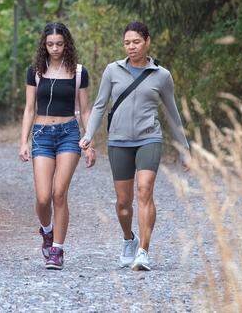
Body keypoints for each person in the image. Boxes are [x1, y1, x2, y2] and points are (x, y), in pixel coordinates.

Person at [80, 21, 191, 272]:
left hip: (149, 138)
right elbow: (99, 106)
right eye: (127, 43)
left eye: (136, 42)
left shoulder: (161, 75)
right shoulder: (112, 70)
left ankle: (144, 252)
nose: (131, 47)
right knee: (122, 202)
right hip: (118, 141)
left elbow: (172, 114)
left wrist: (184, 149)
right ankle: (129, 240)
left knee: (144, 191)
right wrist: (88, 135)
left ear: (147, 41)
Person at [17, 22, 95, 270]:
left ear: (66, 44)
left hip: (69, 134)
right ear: (44, 45)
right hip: (41, 133)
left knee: (59, 193)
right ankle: (47, 231)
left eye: (59, 44)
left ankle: (57, 250)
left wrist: (89, 141)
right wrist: (23, 141)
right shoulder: (35, 71)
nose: (55, 49)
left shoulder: (79, 72)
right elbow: (29, 109)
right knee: (42, 197)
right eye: (50, 44)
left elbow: (85, 110)